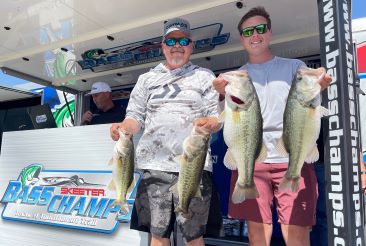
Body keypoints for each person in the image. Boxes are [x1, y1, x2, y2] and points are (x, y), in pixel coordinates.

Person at [213, 6, 332, 246]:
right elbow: (223, 119)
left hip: (291, 156)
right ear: (241, 38)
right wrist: (219, 95)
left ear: (269, 32)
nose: (254, 35)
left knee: (296, 234)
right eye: (248, 32)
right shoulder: (236, 77)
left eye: (260, 29)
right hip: (251, 157)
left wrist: (321, 78)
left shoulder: (293, 66)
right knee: (257, 235)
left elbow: (316, 75)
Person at [110, 17, 222, 246]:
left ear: (191, 46)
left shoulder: (205, 76)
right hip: (154, 166)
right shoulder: (146, 79)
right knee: (158, 235)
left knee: (194, 236)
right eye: (171, 40)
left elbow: (216, 118)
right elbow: (135, 117)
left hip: (194, 166)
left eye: (183, 40)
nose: (177, 45)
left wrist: (210, 122)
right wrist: (123, 128)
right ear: (162, 46)